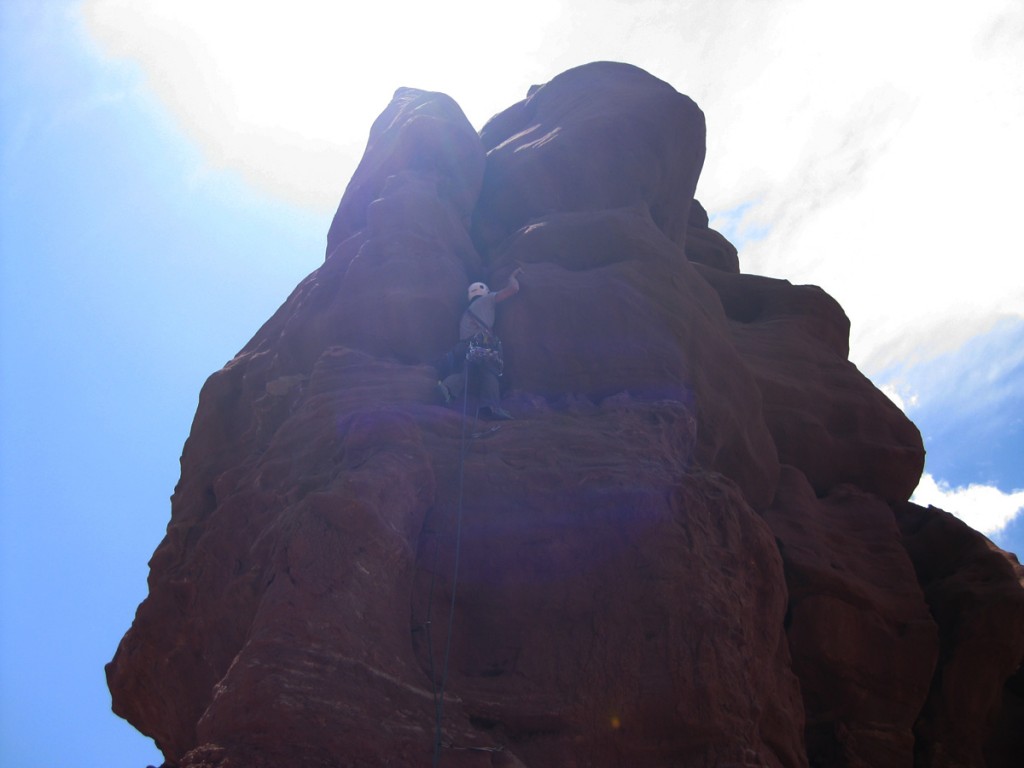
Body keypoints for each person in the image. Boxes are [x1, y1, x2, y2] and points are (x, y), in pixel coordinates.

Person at [436, 268, 522, 420]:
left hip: (463, 347)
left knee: (469, 373)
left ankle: (447, 387)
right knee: (490, 370)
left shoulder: (467, 312)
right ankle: (491, 406)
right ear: (485, 292)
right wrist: (512, 276)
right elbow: (513, 289)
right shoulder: (487, 300)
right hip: (480, 343)